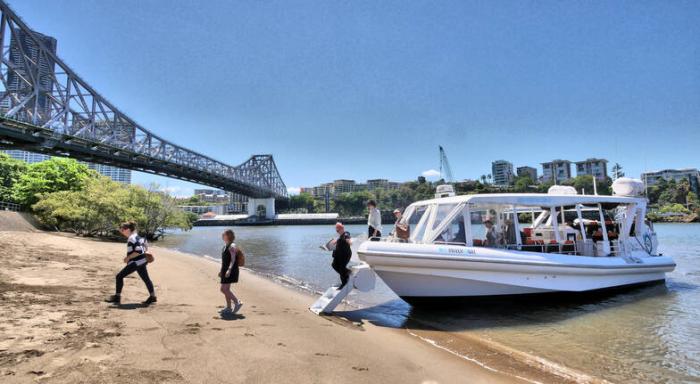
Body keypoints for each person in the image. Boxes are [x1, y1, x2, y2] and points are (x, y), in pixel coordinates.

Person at [105, 221, 157, 306]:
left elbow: (138, 251)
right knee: (146, 279)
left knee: (119, 276)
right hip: (143, 261)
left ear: (128, 229)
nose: (121, 232)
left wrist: (128, 258)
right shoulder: (140, 237)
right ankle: (152, 297)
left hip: (136, 262)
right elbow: (146, 248)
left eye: (123, 230)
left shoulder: (131, 238)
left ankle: (117, 297)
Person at [219, 229, 243, 315]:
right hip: (225, 270)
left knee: (223, 289)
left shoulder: (232, 246)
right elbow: (225, 260)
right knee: (226, 289)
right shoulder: (225, 245)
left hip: (231, 270)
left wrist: (229, 270)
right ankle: (229, 307)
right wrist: (221, 271)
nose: (222, 235)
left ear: (228, 235)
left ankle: (237, 302)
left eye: (224, 234)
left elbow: (233, 260)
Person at [330, 222, 352, 289]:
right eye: (336, 230)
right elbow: (340, 240)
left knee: (342, 268)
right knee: (334, 265)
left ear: (342, 228)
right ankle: (347, 272)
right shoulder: (340, 237)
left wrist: (348, 241)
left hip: (345, 255)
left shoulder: (346, 234)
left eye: (338, 230)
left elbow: (347, 238)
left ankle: (344, 282)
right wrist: (334, 242)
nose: (337, 231)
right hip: (339, 255)